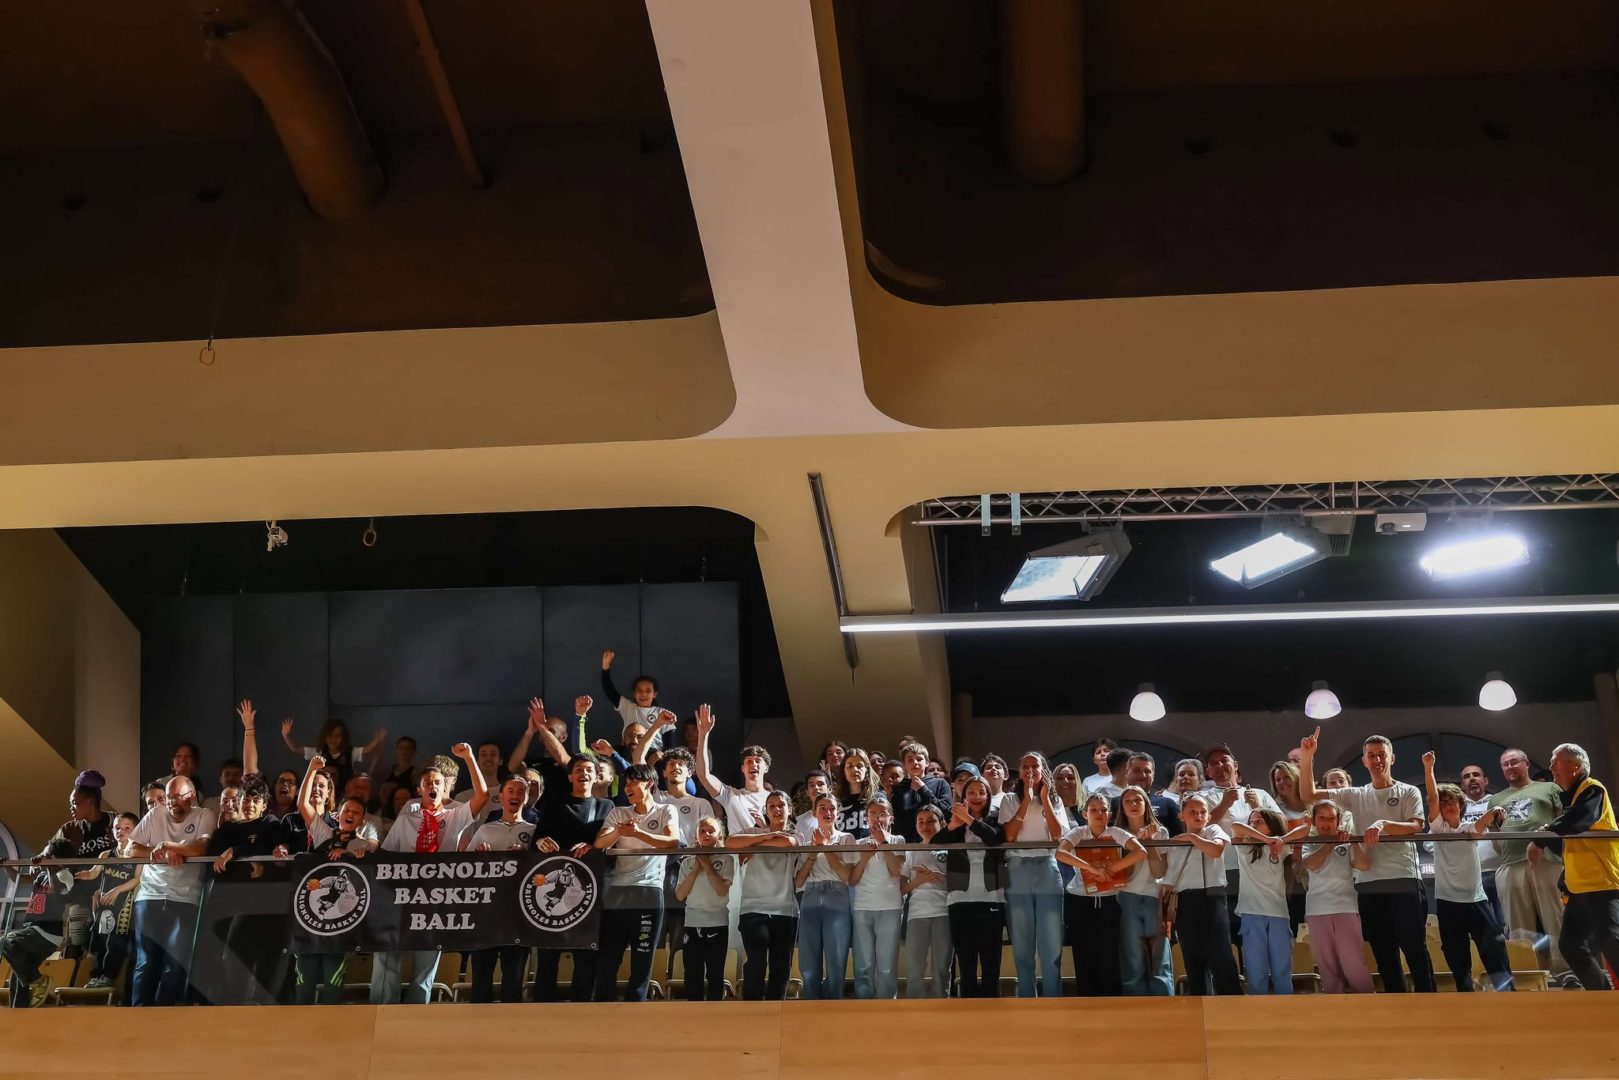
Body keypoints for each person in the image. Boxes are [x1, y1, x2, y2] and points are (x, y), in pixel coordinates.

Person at [1298, 727, 1434, 993]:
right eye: (1372, 755)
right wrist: (1307, 757)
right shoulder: (1356, 794)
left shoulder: (1408, 791)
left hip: (1404, 879)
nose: (1377, 759)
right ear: (1364, 761)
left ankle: (1429, 1003)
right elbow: (1309, 795)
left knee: (1414, 947)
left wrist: (1383, 824)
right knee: (1384, 953)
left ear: (1392, 758)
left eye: (1382, 754)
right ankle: (1395, 1005)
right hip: (1368, 883)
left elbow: (1417, 825)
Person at [370, 742, 488, 1005]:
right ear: (419, 789)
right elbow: (387, 855)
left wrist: (470, 757)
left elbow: (482, 795)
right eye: (427, 783)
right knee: (388, 955)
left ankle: (417, 1014)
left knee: (426, 964)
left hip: (434, 898)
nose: (432, 786)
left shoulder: (455, 816)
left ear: (445, 787)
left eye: (437, 782)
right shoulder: (406, 817)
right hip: (400, 898)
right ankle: (381, 1011)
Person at [1, 771, 116, 1007]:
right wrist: (39, 863)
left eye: (75, 803)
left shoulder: (113, 822)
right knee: (74, 946)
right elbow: (46, 854)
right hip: (76, 898)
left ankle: (81, 992)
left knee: (101, 943)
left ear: (90, 801)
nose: (71, 808)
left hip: (106, 895)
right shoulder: (69, 829)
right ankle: (31, 1004)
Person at [1421, 752, 1513, 993]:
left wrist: (1495, 810)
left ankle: (1507, 993)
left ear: (1461, 805)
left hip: (1476, 899)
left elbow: (1482, 823)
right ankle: (1465, 995)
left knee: (1493, 948)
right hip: (1448, 901)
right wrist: (1429, 768)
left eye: (1453, 801)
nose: (1448, 805)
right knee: (1456, 954)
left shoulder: (1468, 828)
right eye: (1444, 803)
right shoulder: (1438, 828)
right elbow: (1432, 796)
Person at [531, 746, 614, 1003]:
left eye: (589, 770)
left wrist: (593, 846)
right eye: (578, 770)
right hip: (553, 886)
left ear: (596, 776)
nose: (584, 774)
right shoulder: (554, 804)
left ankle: (582, 1009)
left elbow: (610, 845)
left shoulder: (607, 806)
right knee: (548, 951)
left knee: (585, 952)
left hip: (590, 889)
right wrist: (541, 842)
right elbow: (535, 841)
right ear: (570, 776)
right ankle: (543, 1007)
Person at [204, 773, 294, 1005]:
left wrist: (237, 852)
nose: (250, 804)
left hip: (263, 907)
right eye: (246, 799)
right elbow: (214, 861)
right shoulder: (226, 830)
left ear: (264, 805)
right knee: (227, 958)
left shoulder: (270, 823)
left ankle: (261, 1007)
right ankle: (230, 1007)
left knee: (260, 960)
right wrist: (242, 854)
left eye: (256, 800)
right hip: (226, 904)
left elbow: (271, 851)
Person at [126, 775, 217, 1006]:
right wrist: (163, 853)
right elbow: (130, 849)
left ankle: (164, 1014)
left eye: (177, 797)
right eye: (168, 797)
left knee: (175, 964)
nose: (171, 802)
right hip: (149, 896)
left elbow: (200, 848)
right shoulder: (156, 814)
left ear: (191, 796)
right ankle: (139, 1013)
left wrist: (167, 845)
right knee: (146, 961)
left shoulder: (204, 815)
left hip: (186, 898)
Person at [1536, 742, 1619, 990]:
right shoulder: (1573, 798)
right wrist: (1546, 837)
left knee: (1611, 940)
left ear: (1575, 766)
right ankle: (1601, 994)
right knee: (1572, 945)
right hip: (1578, 885)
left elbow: (1578, 820)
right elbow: (1567, 842)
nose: (1551, 767)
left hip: (1601, 881)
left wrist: (1545, 833)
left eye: (1555, 762)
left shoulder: (1592, 789)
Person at [294, 760, 377, 1006]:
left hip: (343, 927)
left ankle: (331, 1029)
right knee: (304, 984)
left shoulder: (364, 844)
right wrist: (311, 770)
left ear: (363, 820)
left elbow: (375, 849)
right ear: (337, 814)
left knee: (333, 986)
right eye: (347, 810)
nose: (350, 814)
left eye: (356, 812)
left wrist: (352, 853)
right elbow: (303, 804)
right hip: (309, 924)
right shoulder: (324, 833)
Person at [594, 763, 679, 1002]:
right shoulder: (619, 813)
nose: (627, 788)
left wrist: (637, 833)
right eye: (626, 783)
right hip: (618, 891)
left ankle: (637, 1007)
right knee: (609, 955)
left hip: (649, 891)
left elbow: (672, 842)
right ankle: (602, 1005)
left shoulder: (666, 810)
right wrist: (619, 832)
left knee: (643, 956)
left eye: (633, 782)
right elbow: (599, 844)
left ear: (649, 783)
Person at [1488, 746, 1572, 984]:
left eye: (1514, 762)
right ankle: (1528, 976)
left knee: (1555, 918)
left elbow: (1563, 819)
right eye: (1505, 764)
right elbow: (1494, 832)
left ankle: (1565, 971)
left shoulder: (1549, 788)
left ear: (1526, 764)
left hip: (1546, 861)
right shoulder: (1496, 798)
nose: (1510, 767)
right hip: (1511, 864)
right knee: (1517, 925)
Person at [1057, 792, 1148, 996]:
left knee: (1109, 952)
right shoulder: (1078, 832)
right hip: (1079, 900)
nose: (1099, 814)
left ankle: (1111, 1003)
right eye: (1094, 810)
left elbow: (1140, 852)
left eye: (1104, 810)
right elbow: (1060, 853)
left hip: (1108, 900)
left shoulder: (1115, 832)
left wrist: (1112, 869)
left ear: (1110, 814)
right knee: (1083, 952)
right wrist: (1091, 868)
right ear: (1085, 813)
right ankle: (1086, 1002)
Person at [463, 776, 538, 1003]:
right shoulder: (485, 829)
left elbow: (542, 875)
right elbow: (463, 871)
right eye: (511, 790)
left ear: (526, 798)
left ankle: (511, 1024)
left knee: (513, 979)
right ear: (501, 797)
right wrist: (478, 857)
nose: (515, 795)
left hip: (519, 914)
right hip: (485, 912)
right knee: (481, 976)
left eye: (521, 791)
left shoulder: (535, 831)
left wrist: (527, 857)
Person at [998, 753, 1067, 998]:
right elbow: (1009, 835)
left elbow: (1059, 836)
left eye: (1034, 766)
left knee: (1051, 940)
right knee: (1022, 940)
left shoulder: (1055, 800)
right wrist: (1026, 800)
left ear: (1043, 770)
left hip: (1047, 867)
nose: (1029, 770)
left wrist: (1044, 799)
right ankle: (1027, 998)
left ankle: (1053, 999)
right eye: (1024, 766)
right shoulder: (1009, 798)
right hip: (1018, 868)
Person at [1162, 793, 1240, 995]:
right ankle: (1199, 1001)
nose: (1198, 816)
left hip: (1213, 896)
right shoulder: (1176, 843)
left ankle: (1231, 1000)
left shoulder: (1213, 830)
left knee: (1221, 952)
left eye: (1202, 812)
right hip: (1186, 899)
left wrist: (1192, 838)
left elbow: (1215, 851)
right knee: (1193, 955)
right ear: (1181, 816)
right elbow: (1168, 881)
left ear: (1208, 816)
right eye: (1192, 812)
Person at [938, 776, 1007, 997]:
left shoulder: (995, 819)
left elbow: (995, 839)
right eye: (971, 792)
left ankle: (993, 1012)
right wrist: (953, 825)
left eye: (981, 792)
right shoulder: (955, 822)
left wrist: (969, 819)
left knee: (991, 966)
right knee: (966, 966)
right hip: (960, 899)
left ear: (988, 796)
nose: (976, 796)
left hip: (991, 898)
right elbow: (935, 843)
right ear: (964, 796)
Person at [728, 789, 799, 1000]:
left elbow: (787, 843)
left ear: (790, 809)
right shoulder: (753, 832)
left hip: (785, 910)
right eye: (772, 806)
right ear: (766, 811)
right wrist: (765, 835)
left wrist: (753, 844)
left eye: (781, 805)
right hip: (753, 908)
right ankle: (752, 1011)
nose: (777, 809)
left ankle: (777, 1011)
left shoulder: (797, 834)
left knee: (780, 967)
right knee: (756, 964)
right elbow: (730, 842)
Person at [1299, 800, 1375, 994]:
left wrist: (1354, 843)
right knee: (1327, 964)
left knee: (1352, 961)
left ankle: (1368, 1000)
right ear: (1314, 821)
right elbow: (1311, 864)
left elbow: (1364, 865)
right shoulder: (1308, 842)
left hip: (1345, 907)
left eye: (1331, 818)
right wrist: (1331, 843)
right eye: (1321, 818)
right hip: (1317, 910)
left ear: (1338, 821)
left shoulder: (1347, 842)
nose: (1326, 823)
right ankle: (1335, 1004)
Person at [793, 792, 856, 999]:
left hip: (837, 897)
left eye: (832, 808)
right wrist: (813, 853)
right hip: (810, 896)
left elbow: (847, 875)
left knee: (836, 958)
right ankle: (811, 1003)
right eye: (822, 808)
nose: (828, 812)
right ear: (814, 812)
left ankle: (834, 1004)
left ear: (838, 813)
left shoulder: (846, 838)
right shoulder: (807, 841)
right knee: (808, 959)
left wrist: (826, 847)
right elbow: (799, 881)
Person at [1113, 786, 1172, 995]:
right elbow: (1123, 875)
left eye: (1138, 800)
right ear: (1122, 807)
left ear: (1146, 804)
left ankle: (1164, 1002)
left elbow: (1159, 871)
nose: (1133, 804)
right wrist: (1135, 846)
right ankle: (1135, 1003)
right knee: (1132, 955)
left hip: (1154, 896)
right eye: (1128, 801)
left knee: (1159, 956)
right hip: (1127, 896)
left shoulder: (1161, 831)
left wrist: (1149, 842)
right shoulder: (1116, 834)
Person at [1228, 808, 1293, 994]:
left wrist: (1279, 840)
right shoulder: (1244, 846)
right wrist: (1266, 839)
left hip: (1279, 914)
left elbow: (1304, 830)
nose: (1253, 825)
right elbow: (1236, 826)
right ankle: (1257, 1009)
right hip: (1252, 913)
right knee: (1256, 972)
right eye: (1252, 821)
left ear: (1272, 825)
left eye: (1259, 821)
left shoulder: (1281, 847)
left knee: (1282, 970)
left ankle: (1287, 1008)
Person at [848, 794, 905, 999]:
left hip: (890, 906)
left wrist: (884, 843)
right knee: (863, 964)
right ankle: (864, 1004)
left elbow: (897, 871)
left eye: (883, 813)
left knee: (886, 964)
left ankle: (886, 1005)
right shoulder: (859, 842)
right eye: (872, 813)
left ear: (891, 818)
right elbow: (852, 879)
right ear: (866, 818)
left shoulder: (898, 840)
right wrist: (864, 858)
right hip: (863, 906)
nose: (877, 818)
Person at [82, 811, 142, 992]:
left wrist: (118, 889)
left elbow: (137, 879)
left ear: (136, 830)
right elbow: (94, 872)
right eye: (117, 827)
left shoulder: (138, 855)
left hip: (124, 905)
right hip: (103, 905)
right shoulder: (106, 854)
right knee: (99, 940)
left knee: (116, 941)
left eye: (126, 828)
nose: (120, 831)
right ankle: (97, 976)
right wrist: (83, 875)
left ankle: (108, 977)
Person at [674, 816, 732, 1001]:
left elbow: (721, 890)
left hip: (717, 923)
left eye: (711, 831)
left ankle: (714, 1014)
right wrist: (696, 868)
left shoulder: (726, 859)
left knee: (715, 974)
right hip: (692, 923)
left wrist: (707, 866)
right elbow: (680, 895)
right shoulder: (687, 862)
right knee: (692, 974)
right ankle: (693, 1014)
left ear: (719, 835)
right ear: (696, 835)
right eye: (702, 831)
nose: (706, 834)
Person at [693, 704, 771, 836]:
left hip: (767, 849)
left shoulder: (774, 800)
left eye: (758, 761)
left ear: (766, 768)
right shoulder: (730, 795)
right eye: (748, 761)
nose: (753, 764)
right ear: (742, 768)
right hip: (738, 849)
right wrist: (703, 735)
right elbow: (703, 775)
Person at [902, 804, 953, 998]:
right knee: (915, 969)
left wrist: (939, 876)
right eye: (921, 822)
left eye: (931, 821)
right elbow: (902, 888)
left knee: (941, 968)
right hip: (917, 914)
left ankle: (942, 1006)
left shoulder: (951, 849)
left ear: (942, 823)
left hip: (944, 912)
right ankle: (914, 1010)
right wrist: (920, 880)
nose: (925, 826)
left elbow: (960, 883)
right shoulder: (911, 851)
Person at [1457, 763, 1502, 922]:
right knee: (1479, 924)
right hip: (1468, 874)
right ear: (1462, 785)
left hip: (1499, 870)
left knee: (1504, 921)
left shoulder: (1498, 802)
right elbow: (1430, 842)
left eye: (1476, 775)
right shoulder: (1456, 807)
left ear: (1486, 780)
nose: (1472, 779)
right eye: (1467, 777)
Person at [601, 649, 667, 749]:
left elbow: (669, 740)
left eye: (648, 691)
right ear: (634, 694)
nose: (643, 694)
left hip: (653, 752)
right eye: (639, 690)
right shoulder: (628, 707)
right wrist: (605, 666)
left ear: (654, 694)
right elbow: (609, 691)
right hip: (629, 749)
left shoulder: (662, 713)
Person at [891, 739, 954, 842]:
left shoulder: (940, 783)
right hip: (908, 844)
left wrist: (923, 790)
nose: (915, 763)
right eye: (910, 760)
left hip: (937, 842)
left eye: (919, 759)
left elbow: (947, 813)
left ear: (927, 762)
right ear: (903, 765)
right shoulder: (899, 788)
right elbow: (896, 820)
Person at [1121, 753, 1182, 837]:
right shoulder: (1114, 803)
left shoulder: (1167, 804)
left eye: (1147, 771)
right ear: (1126, 772)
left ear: (1153, 775)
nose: (1142, 775)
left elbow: (1180, 838)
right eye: (1137, 770)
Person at [839, 749, 878, 838]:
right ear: (843, 771)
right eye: (850, 766)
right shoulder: (836, 799)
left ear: (867, 770)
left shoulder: (877, 798)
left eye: (859, 766)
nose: (855, 770)